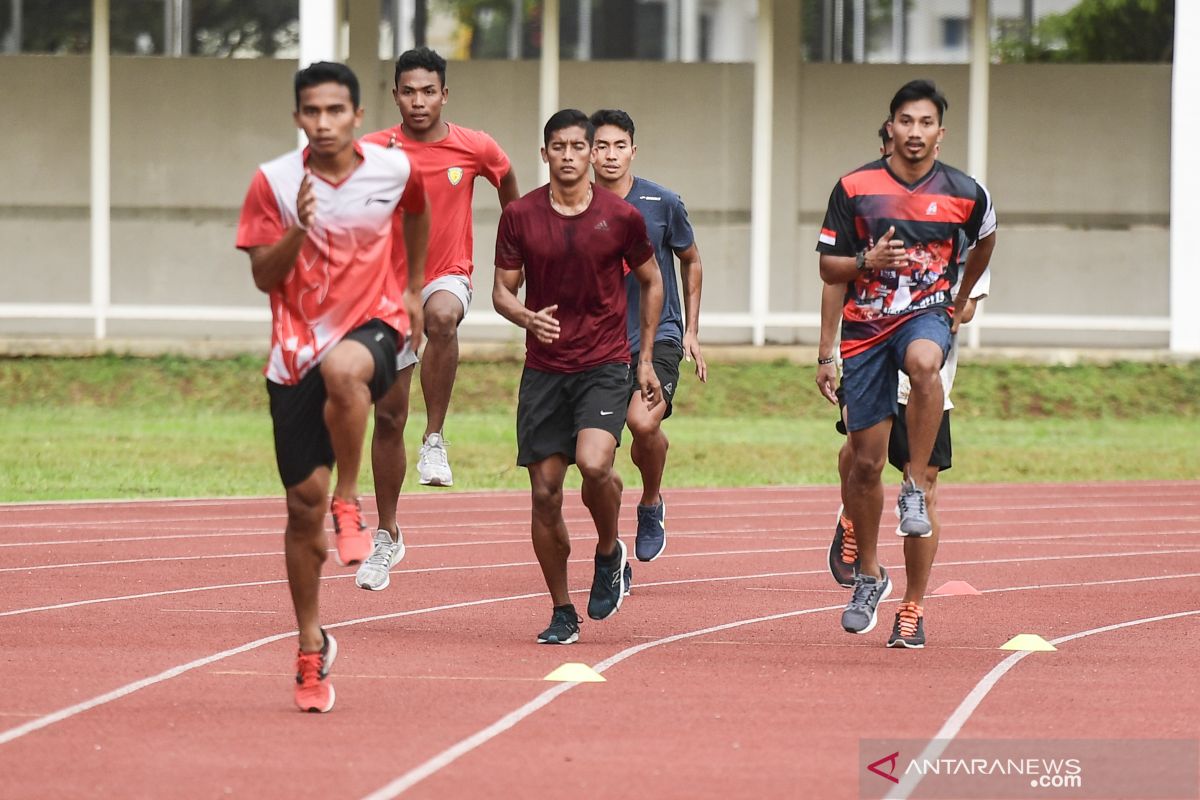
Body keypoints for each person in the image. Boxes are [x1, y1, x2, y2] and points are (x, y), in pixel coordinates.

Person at [235, 62, 428, 711]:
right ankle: (311, 646)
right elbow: (264, 277)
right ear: (298, 118)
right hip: (293, 353)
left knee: (348, 371)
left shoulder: (393, 169)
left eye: (335, 111)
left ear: (356, 114)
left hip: (372, 322)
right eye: (311, 112)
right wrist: (298, 225)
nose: (324, 123)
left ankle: (352, 502)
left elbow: (419, 213)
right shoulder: (275, 182)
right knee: (299, 514)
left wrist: (411, 288)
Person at [816, 79, 990, 640]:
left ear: (941, 132)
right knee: (861, 463)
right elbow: (829, 272)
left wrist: (959, 300)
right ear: (890, 126)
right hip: (866, 334)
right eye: (906, 122)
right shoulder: (855, 188)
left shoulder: (965, 197)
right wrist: (866, 264)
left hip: (927, 333)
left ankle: (912, 600)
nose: (915, 132)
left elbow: (987, 241)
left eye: (926, 123)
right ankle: (866, 567)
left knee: (923, 367)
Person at [492, 109, 663, 645]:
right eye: (557, 147)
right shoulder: (519, 216)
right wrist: (525, 317)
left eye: (577, 147)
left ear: (592, 154)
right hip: (544, 370)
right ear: (544, 154)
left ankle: (609, 550)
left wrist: (646, 358)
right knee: (545, 492)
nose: (568, 156)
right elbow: (501, 290)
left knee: (594, 463)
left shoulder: (621, 217)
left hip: (604, 363)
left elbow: (653, 282)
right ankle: (562, 609)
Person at [353, 48, 519, 591]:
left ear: (444, 93)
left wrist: (513, 266)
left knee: (443, 316)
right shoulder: (374, 150)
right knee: (387, 418)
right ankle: (388, 535)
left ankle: (437, 438)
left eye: (428, 91)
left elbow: (513, 197)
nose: (418, 100)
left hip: (448, 273)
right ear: (395, 94)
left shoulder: (475, 148)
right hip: (388, 292)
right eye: (408, 91)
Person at [589, 108, 707, 563]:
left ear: (633, 151)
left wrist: (692, 330)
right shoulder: (574, 203)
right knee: (596, 456)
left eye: (619, 146)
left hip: (658, 337)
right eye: (601, 146)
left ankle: (652, 501)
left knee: (642, 422)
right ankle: (608, 547)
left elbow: (691, 259)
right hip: (599, 345)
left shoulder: (662, 203)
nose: (611, 155)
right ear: (589, 151)